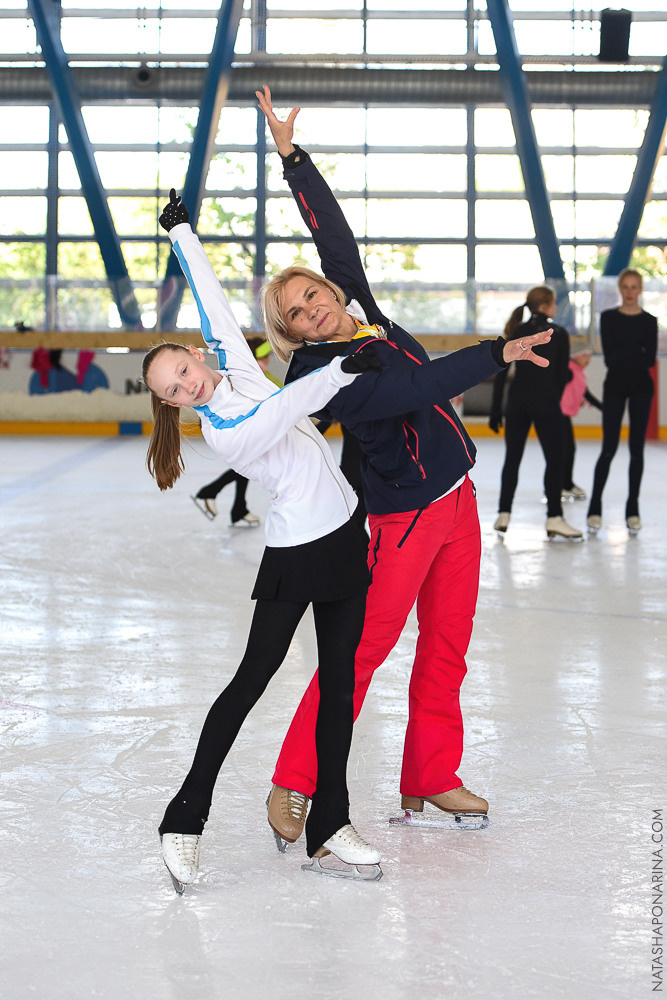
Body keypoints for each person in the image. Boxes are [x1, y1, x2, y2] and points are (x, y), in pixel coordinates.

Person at [255, 85, 554, 842]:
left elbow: (335, 235)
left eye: (311, 292)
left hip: (455, 500)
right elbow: (415, 386)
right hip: (398, 518)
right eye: (293, 311)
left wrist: (293, 161)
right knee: (358, 653)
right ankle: (293, 780)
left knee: (447, 646)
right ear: (289, 332)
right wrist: (493, 353)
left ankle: (430, 776)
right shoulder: (319, 376)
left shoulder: (360, 305)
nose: (310, 306)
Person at [143, 190, 384, 889]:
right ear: (171, 405)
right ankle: (183, 818)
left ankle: (329, 823)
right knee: (251, 681)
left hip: (345, 534)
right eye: (173, 391)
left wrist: (183, 232)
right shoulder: (226, 431)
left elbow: (212, 296)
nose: (187, 385)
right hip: (298, 553)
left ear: (195, 354)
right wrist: (343, 366)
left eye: (183, 371)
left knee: (338, 686)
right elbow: (289, 404)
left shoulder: (230, 361)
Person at [489, 285, 582, 540]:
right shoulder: (559, 333)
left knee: (513, 458)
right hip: (546, 404)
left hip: (517, 403)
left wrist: (496, 409)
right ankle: (554, 517)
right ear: (547, 306)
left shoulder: (516, 330)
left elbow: (501, 372)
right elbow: (562, 375)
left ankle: (503, 513)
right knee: (555, 459)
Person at [586, 268, 658, 534]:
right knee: (609, 448)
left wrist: (629, 355)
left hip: (641, 388)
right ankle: (594, 507)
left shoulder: (650, 321)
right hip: (615, 386)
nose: (629, 292)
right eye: (625, 287)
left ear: (640, 290)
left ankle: (632, 509)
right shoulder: (608, 318)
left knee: (636, 449)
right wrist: (634, 354)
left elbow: (649, 359)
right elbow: (610, 359)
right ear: (620, 289)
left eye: (634, 287)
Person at [191, 337, 277, 527]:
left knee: (247, 463)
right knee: (248, 463)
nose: (269, 357)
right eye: (266, 355)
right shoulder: (254, 375)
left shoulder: (252, 373)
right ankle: (214, 493)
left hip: (245, 429)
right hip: (239, 429)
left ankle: (236, 506)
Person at [560, 349, 601, 501]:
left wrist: (603, 408)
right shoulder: (567, 369)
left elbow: (585, 393)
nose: (588, 359)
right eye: (584, 355)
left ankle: (567, 483)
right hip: (558, 413)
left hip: (565, 414)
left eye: (590, 356)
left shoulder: (578, 372)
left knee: (569, 449)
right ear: (575, 355)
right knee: (563, 450)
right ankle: (558, 486)